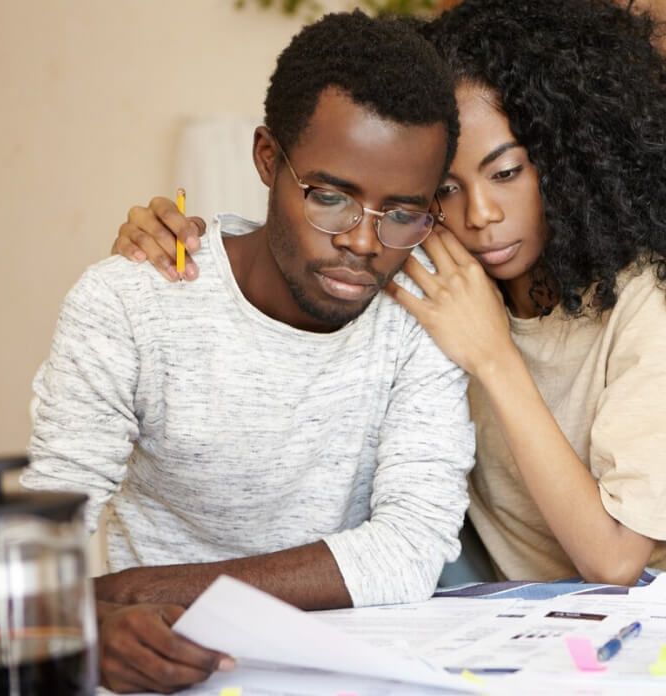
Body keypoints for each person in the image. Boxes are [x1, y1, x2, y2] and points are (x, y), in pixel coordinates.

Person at [113, 0, 666, 589]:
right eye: (447, 187)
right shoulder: (430, 279)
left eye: (507, 173)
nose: (480, 215)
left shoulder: (651, 299)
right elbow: (285, 313)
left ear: (567, 159)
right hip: (554, 638)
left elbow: (617, 560)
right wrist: (171, 252)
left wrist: (493, 357)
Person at [25, 12, 473, 694]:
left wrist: (120, 591)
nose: (363, 242)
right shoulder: (130, 302)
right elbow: (38, 550)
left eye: (402, 214)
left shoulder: (421, 315)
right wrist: (83, 620)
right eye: (331, 197)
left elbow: (409, 548)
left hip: (350, 674)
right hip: (158, 673)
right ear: (267, 158)